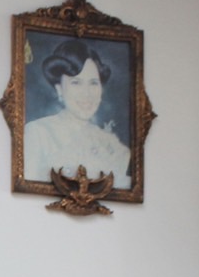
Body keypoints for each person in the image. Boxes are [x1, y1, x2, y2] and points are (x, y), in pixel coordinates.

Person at [23, 38, 132, 189]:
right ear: (59, 89)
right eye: (76, 83)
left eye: (93, 83)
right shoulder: (38, 133)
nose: (87, 93)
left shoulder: (111, 144)